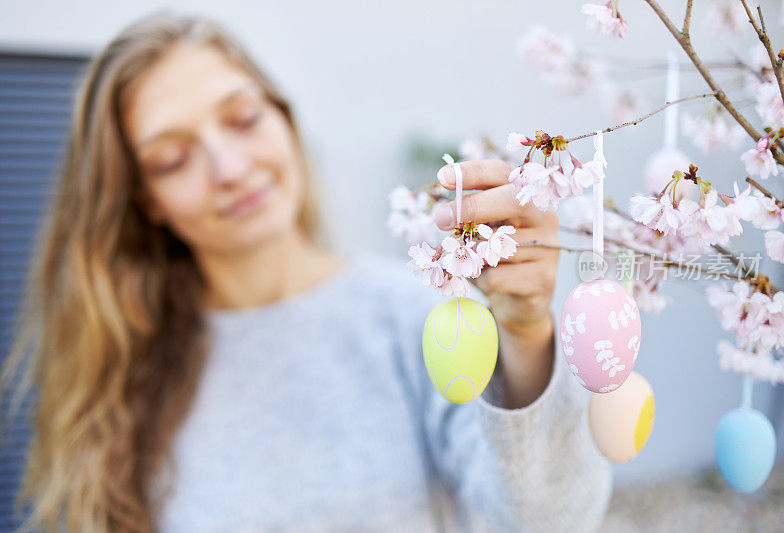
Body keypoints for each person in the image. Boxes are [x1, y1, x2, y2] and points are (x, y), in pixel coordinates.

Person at [3, 12, 611, 532]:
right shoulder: (122, 367)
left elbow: (552, 520)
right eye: (173, 158)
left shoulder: (416, 319)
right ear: (145, 201)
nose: (230, 167)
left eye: (243, 119)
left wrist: (527, 333)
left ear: (285, 120)